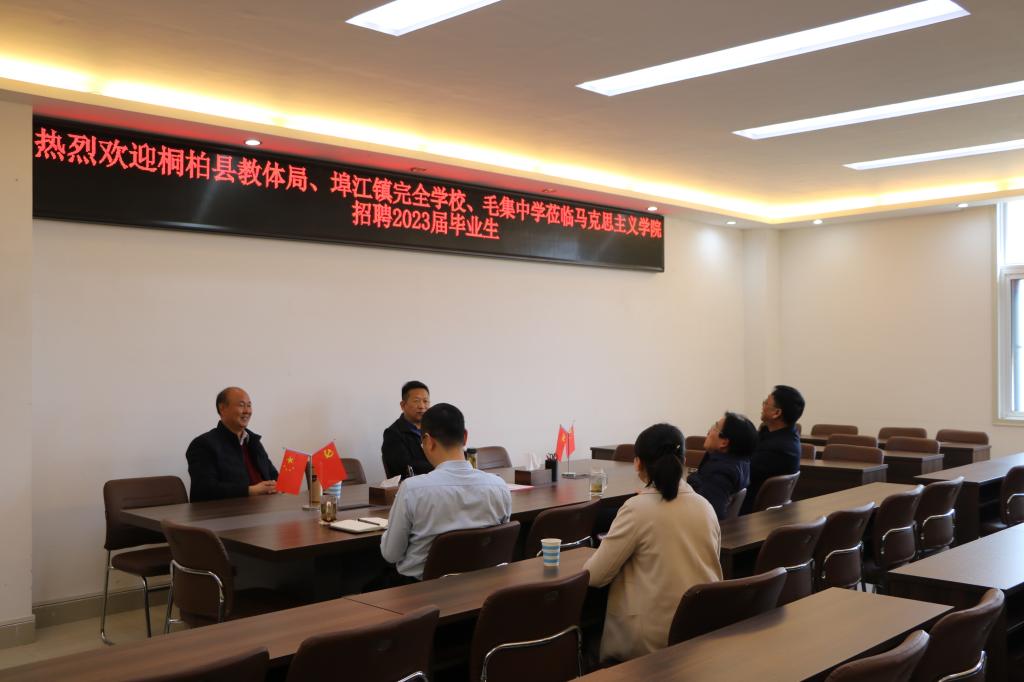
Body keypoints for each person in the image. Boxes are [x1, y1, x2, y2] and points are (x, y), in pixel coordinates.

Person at [583, 424, 722, 663]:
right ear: (684, 461)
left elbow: (595, 576)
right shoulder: (705, 506)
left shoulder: (637, 509)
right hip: (700, 632)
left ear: (638, 463)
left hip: (649, 644)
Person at [379, 402, 511, 582]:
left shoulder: (412, 489)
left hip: (421, 591)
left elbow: (391, 554)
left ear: (427, 441)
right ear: (465, 437)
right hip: (482, 587)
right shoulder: (499, 486)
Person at [185, 387, 278, 502]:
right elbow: (204, 490)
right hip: (228, 511)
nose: (247, 411)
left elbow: (273, 475)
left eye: (249, 405)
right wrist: (250, 491)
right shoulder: (203, 444)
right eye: (241, 405)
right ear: (222, 408)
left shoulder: (253, 441)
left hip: (265, 507)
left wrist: (277, 485)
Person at [742, 385, 805, 514]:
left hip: (752, 514)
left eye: (766, 403)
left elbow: (744, 473)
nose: (762, 406)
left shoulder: (780, 448)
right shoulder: (777, 433)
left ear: (776, 413)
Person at [687, 412, 757, 519]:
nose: (709, 431)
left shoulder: (719, 474)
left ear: (724, 442)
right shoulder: (742, 463)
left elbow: (710, 515)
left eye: (715, 427)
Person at [381, 380, 433, 479]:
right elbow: (405, 467)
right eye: (416, 401)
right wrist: (440, 466)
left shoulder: (435, 430)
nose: (422, 406)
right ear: (403, 405)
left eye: (425, 401)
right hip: (413, 486)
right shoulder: (393, 434)